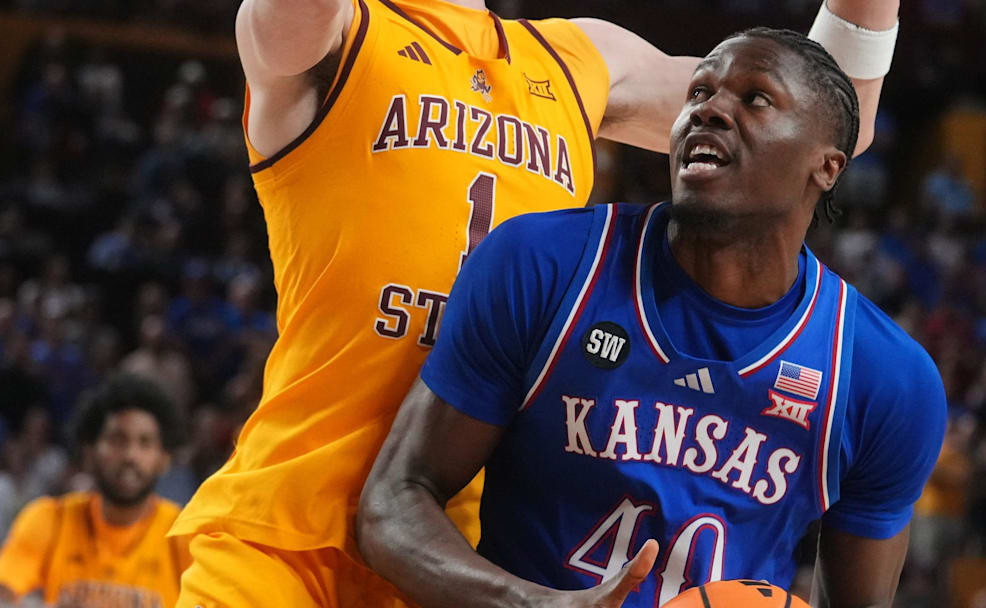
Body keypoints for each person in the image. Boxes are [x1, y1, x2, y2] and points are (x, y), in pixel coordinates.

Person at [170, 0, 902, 605]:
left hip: (452, 559)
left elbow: (821, 112)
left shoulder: (581, 57)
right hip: (282, 533)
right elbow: (278, 25)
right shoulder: (338, 30)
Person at [358, 28, 946, 608]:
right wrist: (528, 604)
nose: (709, 109)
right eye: (698, 92)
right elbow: (393, 500)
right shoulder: (547, 265)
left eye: (755, 98)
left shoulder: (882, 377)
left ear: (827, 167)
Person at [0, 374, 190, 608]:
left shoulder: (183, 535)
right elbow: (4, 595)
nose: (130, 455)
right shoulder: (49, 519)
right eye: (117, 440)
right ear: (89, 452)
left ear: (164, 458)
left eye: (145, 442)